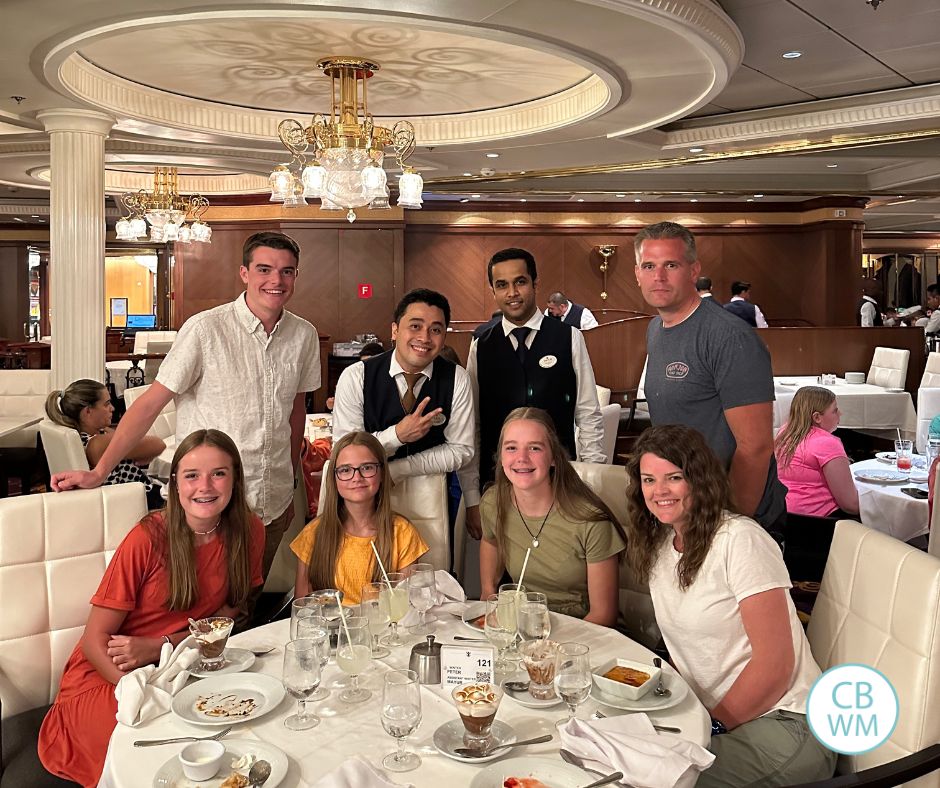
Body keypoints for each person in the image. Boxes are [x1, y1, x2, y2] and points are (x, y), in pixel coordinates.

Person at [51, 231, 321, 595]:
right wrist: (99, 472)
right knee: (199, 608)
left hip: (273, 499)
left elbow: (296, 410)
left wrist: (289, 477)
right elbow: (149, 405)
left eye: (286, 272)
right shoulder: (206, 329)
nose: (276, 280)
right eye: (264, 269)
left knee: (246, 601)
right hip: (210, 500)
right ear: (244, 273)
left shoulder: (304, 335)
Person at [38, 430, 265, 787]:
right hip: (111, 675)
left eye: (219, 473)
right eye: (191, 475)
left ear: (235, 479)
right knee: (154, 759)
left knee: (239, 737)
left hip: (186, 662)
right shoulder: (148, 538)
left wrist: (165, 644)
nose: (205, 486)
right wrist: (136, 685)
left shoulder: (248, 530)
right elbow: (93, 641)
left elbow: (230, 610)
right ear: (174, 483)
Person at [625, 425, 836, 787]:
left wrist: (711, 727)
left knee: (668, 783)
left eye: (673, 477)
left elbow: (775, 667)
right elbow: (689, 648)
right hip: (712, 718)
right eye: (648, 480)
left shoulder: (740, 540)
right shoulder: (661, 545)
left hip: (786, 722)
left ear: (700, 480)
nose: (659, 491)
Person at [634, 221, 786, 533]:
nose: (658, 276)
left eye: (670, 265)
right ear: (637, 273)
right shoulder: (655, 330)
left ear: (693, 270)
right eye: (649, 265)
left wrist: (727, 526)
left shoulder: (729, 337)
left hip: (730, 518)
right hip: (682, 512)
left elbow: (755, 447)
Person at [460, 248, 605, 539]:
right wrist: (473, 497)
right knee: (503, 579)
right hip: (499, 484)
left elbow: (588, 415)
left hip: (560, 483)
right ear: (493, 290)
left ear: (535, 284)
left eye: (520, 282)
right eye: (502, 285)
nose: (512, 292)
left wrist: (591, 484)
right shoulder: (481, 344)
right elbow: (473, 425)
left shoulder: (569, 337)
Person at [479, 407, 624, 624]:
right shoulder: (493, 502)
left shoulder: (590, 521)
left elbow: (604, 616)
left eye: (535, 448)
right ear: (500, 457)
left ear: (554, 458)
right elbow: (490, 542)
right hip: (523, 627)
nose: (521, 458)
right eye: (511, 448)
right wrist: (488, 594)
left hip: (582, 633)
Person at [332, 288, 474, 482]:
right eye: (415, 326)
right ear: (395, 330)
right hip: (367, 490)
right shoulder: (356, 376)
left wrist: (397, 470)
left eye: (435, 330)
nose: (424, 338)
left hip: (433, 497)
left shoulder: (457, 378)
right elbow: (345, 452)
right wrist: (396, 435)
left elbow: (461, 450)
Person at [291, 431, 428, 604]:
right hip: (330, 628)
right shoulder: (313, 533)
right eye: (345, 470)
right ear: (334, 479)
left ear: (382, 474)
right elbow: (303, 607)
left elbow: (406, 606)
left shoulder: (402, 533)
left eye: (367, 468)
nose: (357, 477)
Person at [45, 379, 166, 510]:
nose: (112, 408)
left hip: (137, 494)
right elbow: (158, 444)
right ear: (88, 411)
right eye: (106, 404)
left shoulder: (94, 436)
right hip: (140, 500)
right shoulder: (96, 444)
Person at [774, 387, 859, 517]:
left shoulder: (785, 432)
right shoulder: (827, 443)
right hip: (819, 522)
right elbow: (850, 505)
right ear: (817, 417)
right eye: (835, 410)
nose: (840, 413)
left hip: (784, 516)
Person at [325, 341, 384, 411]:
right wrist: (334, 403)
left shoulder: (389, 381)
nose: (366, 369)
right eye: (363, 364)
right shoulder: (354, 379)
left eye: (370, 364)